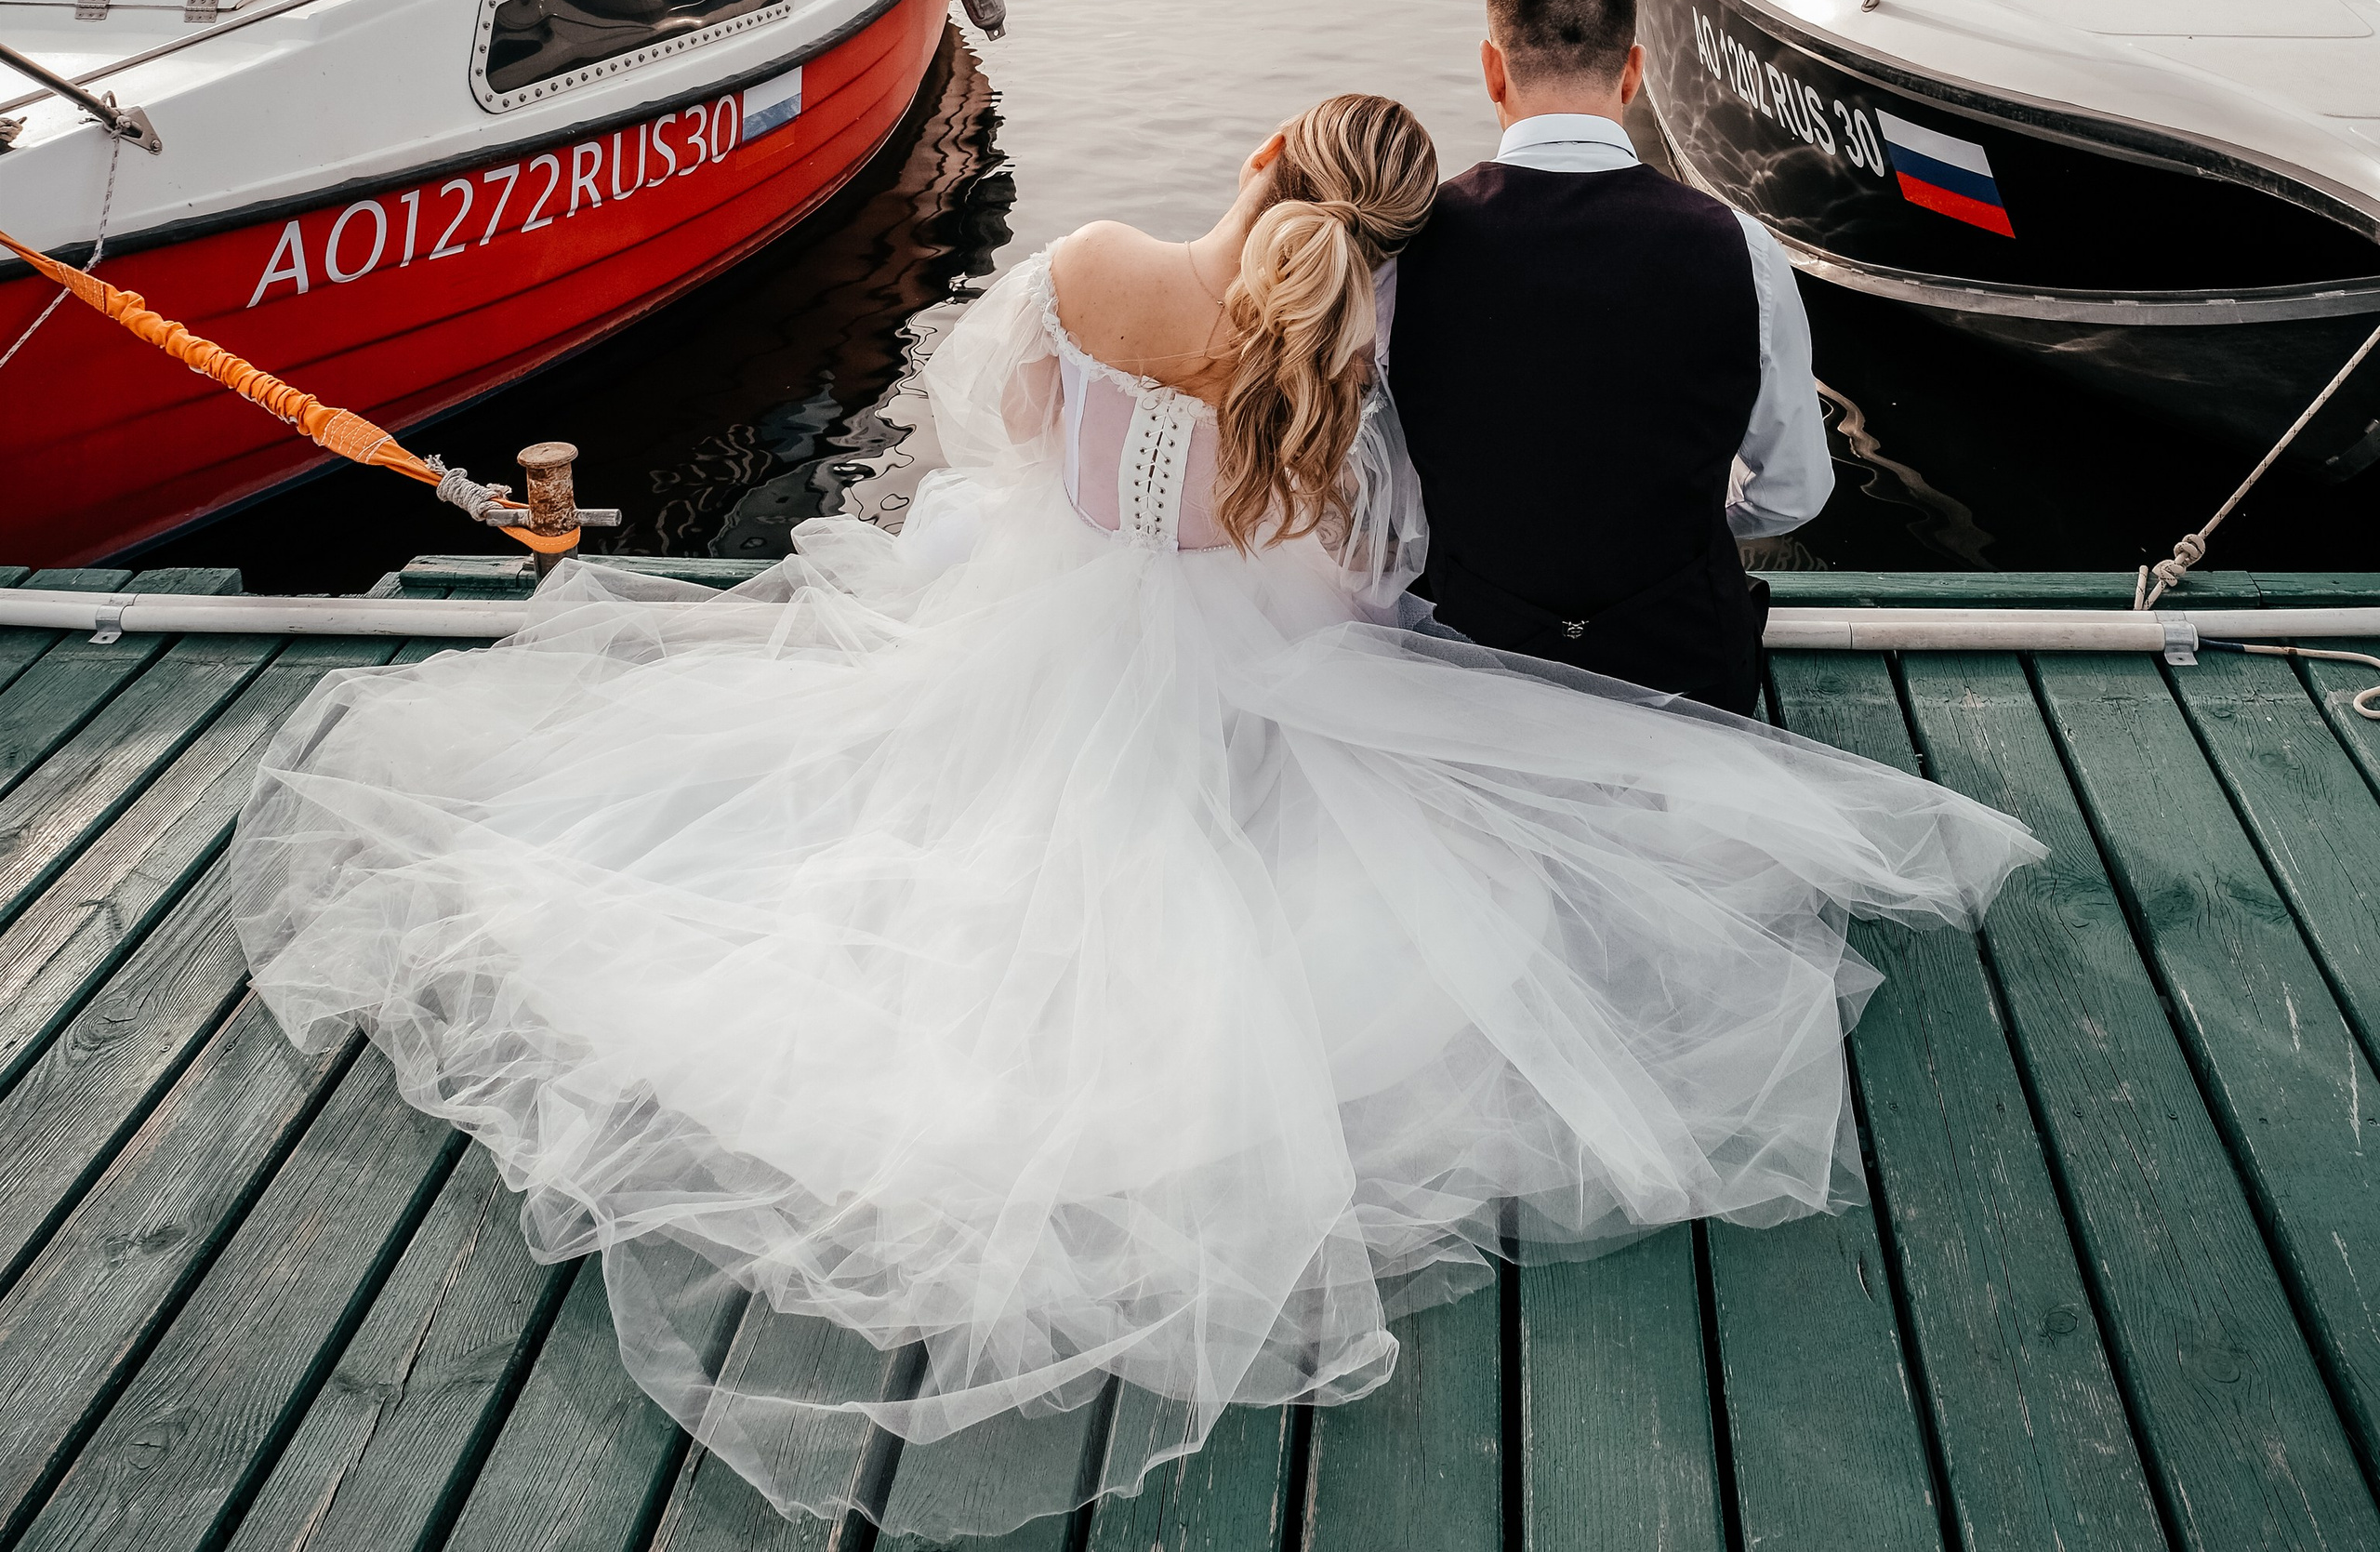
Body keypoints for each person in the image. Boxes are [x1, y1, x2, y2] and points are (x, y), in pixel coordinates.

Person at [227, 94, 2036, 1544]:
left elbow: (1004, 431)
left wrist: (1102, 503)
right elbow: (1361, 584)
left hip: (1039, 622)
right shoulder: (1327, 387)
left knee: (855, 799)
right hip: (1227, 674)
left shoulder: (1091, 260)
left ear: (1256, 164)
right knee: (1313, 856)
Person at [1389, 0, 1831, 712]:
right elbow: (1795, 492)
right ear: (1633, 70)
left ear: (1493, 69)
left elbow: (1386, 486)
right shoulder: (1743, 249)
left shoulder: (1407, 248)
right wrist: (1687, 515)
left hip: (1465, 675)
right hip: (1684, 675)